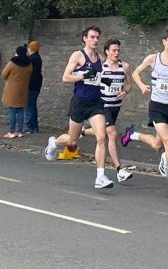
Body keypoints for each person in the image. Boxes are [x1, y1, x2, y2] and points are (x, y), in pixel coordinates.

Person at [124, 28, 168, 198]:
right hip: (157, 107)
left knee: (157, 144)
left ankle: (132, 135)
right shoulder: (153, 59)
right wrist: (141, 86)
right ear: (164, 42)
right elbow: (135, 73)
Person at [43, 26, 115, 190]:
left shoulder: (101, 58)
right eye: (92, 37)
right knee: (72, 142)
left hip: (95, 103)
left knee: (102, 137)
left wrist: (111, 85)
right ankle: (53, 143)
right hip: (80, 103)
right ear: (85, 38)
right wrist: (83, 75)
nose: (95, 40)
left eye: (97, 37)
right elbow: (65, 77)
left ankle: (100, 176)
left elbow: (99, 78)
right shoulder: (78, 55)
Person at [82, 38, 134, 183]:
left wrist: (125, 91)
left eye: (118, 50)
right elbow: (92, 83)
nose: (117, 53)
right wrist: (106, 83)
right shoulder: (101, 67)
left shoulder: (125, 66)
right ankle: (119, 170)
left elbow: (129, 84)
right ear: (107, 52)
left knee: (104, 132)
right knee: (112, 134)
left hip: (115, 105)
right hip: (102, 105)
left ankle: (84, 131)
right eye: (113, 50)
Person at [0, 45, 32, 138]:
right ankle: (19, 131)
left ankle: (11, 131)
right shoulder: (29, 63)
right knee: (21, 110)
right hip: (23, 89)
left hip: (12, 89)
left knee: (12, 110)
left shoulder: (12, 63)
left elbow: (3, 75)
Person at [25, 41, 43, 133]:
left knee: (29, 106)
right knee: (32, 106)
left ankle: (30, 127)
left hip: (31, 85)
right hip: (36, 84)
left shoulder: (32, 59)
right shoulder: (37, 57)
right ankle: (34, 127)